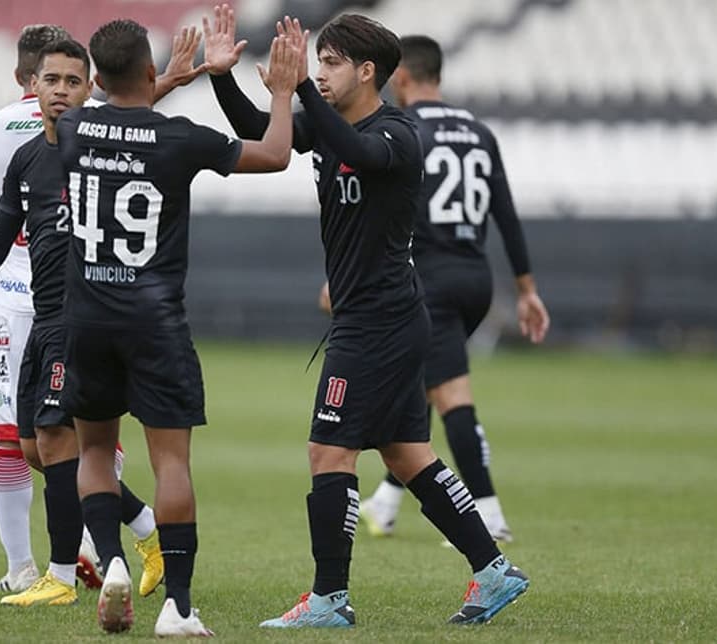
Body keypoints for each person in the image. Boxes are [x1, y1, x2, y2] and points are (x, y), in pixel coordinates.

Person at [206, 8, 529, 627]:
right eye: (319, 62)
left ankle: (329, 600)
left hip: (378, 322)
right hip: (381, 317)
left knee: (328, 452)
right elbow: (257, 129)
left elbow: (353, 147)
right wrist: (222, 77)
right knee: (407, 454)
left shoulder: (399, 134)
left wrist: (298, 84)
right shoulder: (330, 124)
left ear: (367, 71)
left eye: (330, 64)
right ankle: (493, 571)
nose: (321, 73)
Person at [0, 24, 181, 594]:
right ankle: (130, 530)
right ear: (34, 80)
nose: (61, 88)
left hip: (50, 309)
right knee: (38, 443)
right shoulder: (52, 142)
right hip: (34, 306)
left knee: (47, 441)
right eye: (52, 78)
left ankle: (46, 566)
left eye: (73, 80)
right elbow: (2, 229)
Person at [56, 18, 297, 636]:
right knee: (171, 463)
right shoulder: (179, 139)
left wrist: (166, 81)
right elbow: (273, 155)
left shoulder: (73, 127)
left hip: (85, 316)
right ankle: (178, 608)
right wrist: (281, 92)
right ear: (146, 69)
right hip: (153, 320)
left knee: (91, 448)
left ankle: (110, 562)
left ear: (96, 77)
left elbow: (119, 114)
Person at [350, 35, 550, 542]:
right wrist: (526, 289)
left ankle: (488, 512)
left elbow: (382, 213)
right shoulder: (478, 131)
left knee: (452, 394)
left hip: (426, 277)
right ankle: (387, 502)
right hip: (476, 278)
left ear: (401, 76)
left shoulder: (402, 128)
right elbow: (505, 213)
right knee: (417, 385)